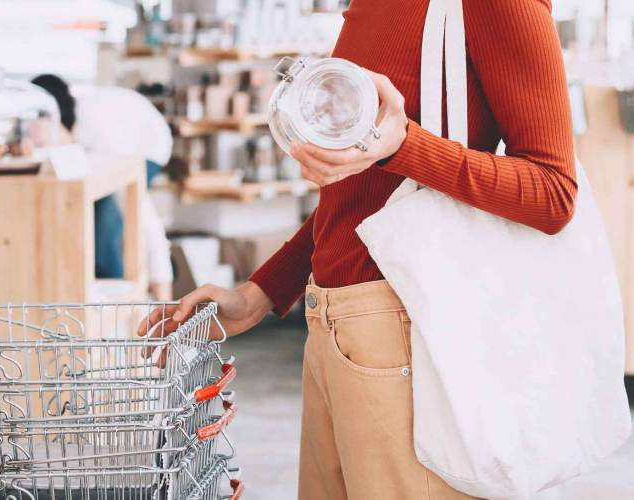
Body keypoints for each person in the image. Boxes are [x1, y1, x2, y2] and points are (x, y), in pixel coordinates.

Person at [139, 1, 577, 498]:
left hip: (406, 326)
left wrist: (401, 147)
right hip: (333, 325)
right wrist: (259, 294)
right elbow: (356, 199)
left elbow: (554, 193)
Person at [30, 74, 175, 300]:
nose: (45, 146)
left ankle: (126, 307)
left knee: (108, 225)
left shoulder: (103, 135)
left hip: (149, 145)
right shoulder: (69, 130)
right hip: (108, 139)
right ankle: (107, 303)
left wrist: (166, 303)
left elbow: (147, 223)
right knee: (93, 225)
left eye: (46, 140)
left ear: (57, 122)